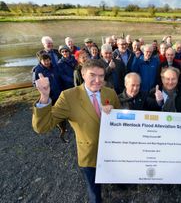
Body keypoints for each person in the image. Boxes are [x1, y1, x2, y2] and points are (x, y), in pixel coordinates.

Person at [32, 59, 121, 203]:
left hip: (111, 150)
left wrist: (114, 114)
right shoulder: (68, 96)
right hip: (89, 153)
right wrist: (44, 97)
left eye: (101, 76)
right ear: (83, 74)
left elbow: (120, 119)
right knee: (94, 191)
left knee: (113, 174)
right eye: (92, 75)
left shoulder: (110, 93)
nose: (97, 80)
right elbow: (42, 126)